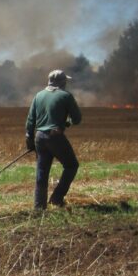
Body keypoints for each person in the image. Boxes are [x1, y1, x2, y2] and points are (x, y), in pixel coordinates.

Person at [25, 69, 82, 209]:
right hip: (55, 136)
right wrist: (67, 122)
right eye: (65, 82)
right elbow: (77, 119)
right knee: (71, 165)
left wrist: (30, 140)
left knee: (42, 171)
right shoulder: (66, 96)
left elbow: (30, 121)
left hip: (39, 137)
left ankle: (39, 206)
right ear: (62, 82)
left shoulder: (38, 96)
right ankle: (56, 198)